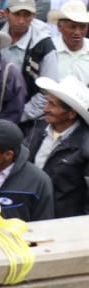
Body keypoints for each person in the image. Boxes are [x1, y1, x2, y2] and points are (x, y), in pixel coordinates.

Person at [26, 76, 89, 218]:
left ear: (71, 114)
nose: (45, 109)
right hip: (32, 212)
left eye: (52, 105)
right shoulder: (38, 129)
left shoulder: (85, 145)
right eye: (47, 102)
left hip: (63, 220)